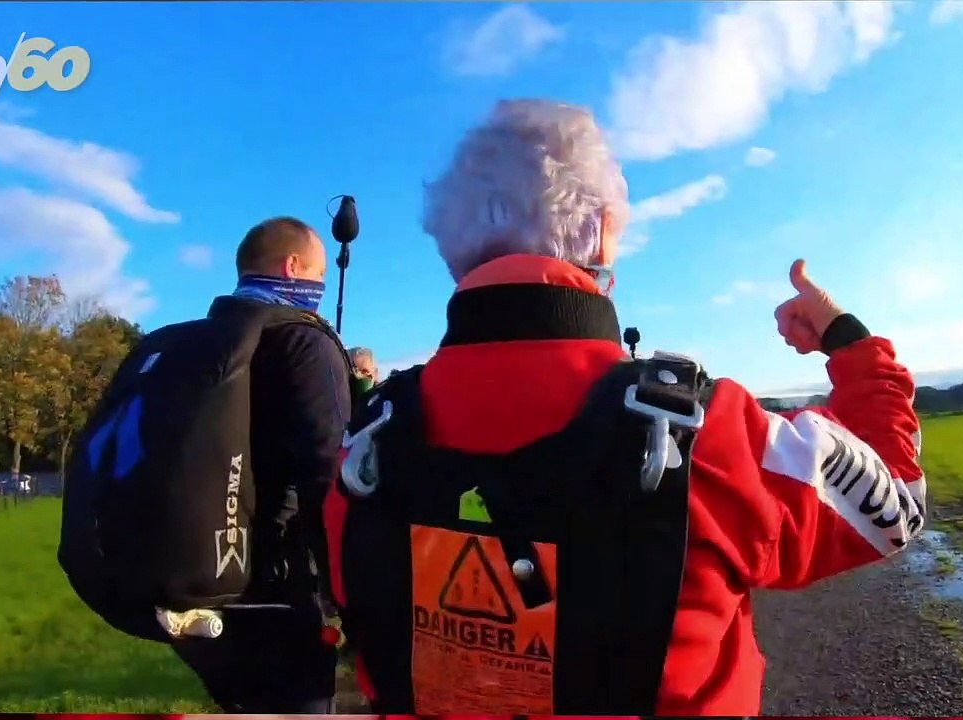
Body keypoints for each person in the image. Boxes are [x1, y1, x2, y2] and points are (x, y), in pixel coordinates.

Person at [324, 99, 926, 715]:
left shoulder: (365, 447)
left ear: (451, 248)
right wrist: (847, 341)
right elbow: (896, 502)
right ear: (602, 230)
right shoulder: (710, 431)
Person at [170, 216, 351, 714]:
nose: (317, 287)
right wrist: (348, 588)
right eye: (315, 275)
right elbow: (328, 473)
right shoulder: (303, 341)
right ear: (292, 267)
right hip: (273, 581)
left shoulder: (198, 343)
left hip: (192, 582)